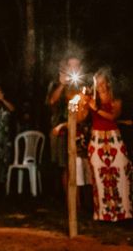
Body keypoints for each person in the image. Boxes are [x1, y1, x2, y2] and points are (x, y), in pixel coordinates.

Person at [85, 68, 132, 221]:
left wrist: (96, 109)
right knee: (99, 176)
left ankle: (123, 212)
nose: (100, 86)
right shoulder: (92, 98)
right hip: (97, 139)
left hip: (113, 138)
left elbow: (113, 116)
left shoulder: (115, 98)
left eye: (102, 83)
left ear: (108, 83)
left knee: (121, 172)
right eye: (97, 83)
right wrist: (82, 103)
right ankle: (102, 213)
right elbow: (82, 116)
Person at [47, 56, 83, 194]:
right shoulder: (56, 84)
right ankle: (70, 201)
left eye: (76, 65)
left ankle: (83, 201)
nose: (73, 68)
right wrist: (62, 85)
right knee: (66, 166)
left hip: (80, 129)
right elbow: (51, 101)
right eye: (71, 65)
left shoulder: (81, 82)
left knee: (81, 164)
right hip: (61, 131)